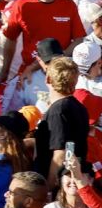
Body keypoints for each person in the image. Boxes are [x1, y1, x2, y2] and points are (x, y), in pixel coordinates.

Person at [0, 0, 85, 87]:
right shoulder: (21, 5)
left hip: (61, 73)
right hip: (31, 75)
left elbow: (79, 39)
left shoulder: (69, 5)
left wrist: (55, 61)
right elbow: (10, 40)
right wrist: (4, 71)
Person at [33, 57, 90, 190]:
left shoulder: (57, 111)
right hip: (71, 181)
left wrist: (48, 188)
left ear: (48, 79)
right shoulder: (79, 107)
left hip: (57, 184)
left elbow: (60, 155)